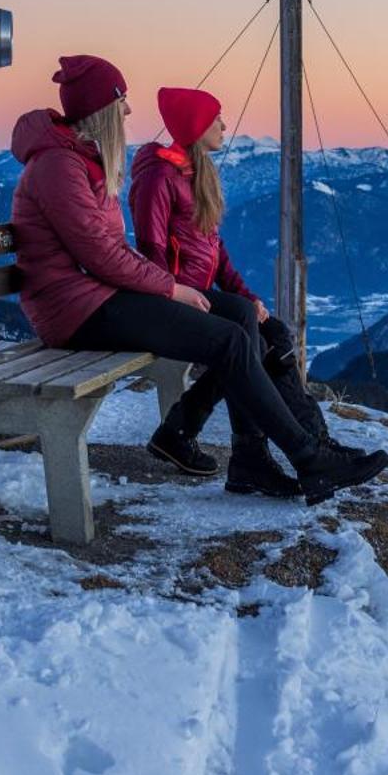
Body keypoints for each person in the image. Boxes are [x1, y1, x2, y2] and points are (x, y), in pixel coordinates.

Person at [6, 54, 388, 505]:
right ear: (102, 110)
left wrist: (179, 289)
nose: (129, 111)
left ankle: (250, 459)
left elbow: (108, 252)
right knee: (227, 341)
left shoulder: (80, 161)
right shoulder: (59, 167)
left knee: (241, 315)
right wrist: (170, 287)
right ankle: (310, 460)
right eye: (121, 101)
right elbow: (101, 253)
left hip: (93, 297)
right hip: (74, 311)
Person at [129, 86, 331, 494]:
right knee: (245, 340)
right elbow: (150, 249)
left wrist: (247, 296)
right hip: (171, 297)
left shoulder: (196, 173)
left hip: (197, 293)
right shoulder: (159, 178)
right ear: (195, 126)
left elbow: (215, 251)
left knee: (265, 331)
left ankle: (209, 438)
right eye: (215, 118)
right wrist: (174, 295)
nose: (224, 124)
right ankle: (254, 452)